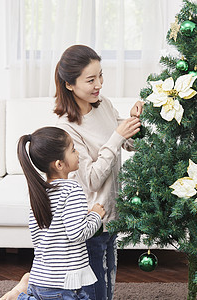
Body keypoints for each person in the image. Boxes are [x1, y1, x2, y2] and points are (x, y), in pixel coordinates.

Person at [54, 45, 143, 300]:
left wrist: (135, 123)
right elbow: (91, 180)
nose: (99, 85)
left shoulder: (103, 105)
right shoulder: (67, 128)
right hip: (90, 221)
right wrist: (116, 137)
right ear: (70, 84)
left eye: (100, 76)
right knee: (95, 292)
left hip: (113, 214)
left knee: (109, 286)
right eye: (91, 80)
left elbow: (129, 144)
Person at [15, 126, 106, 300]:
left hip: (39, 279)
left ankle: (23, 295)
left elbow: (46, 233)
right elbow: (77, 233)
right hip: (62, 285)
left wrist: (82, 216)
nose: (77, 153)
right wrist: (95, 215)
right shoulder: (72, 189)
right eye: (73, 150)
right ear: (59, 164)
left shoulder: (40, 193)